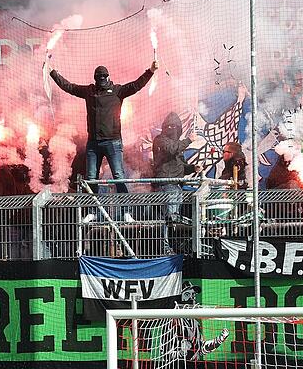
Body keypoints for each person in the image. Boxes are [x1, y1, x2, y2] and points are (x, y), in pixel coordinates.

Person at [49, 61, 157, 196]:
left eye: (103, 77)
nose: (101, 79)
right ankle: (93, 212)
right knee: (91, 178)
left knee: (118, 177)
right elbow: (69, 87)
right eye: (99, 77)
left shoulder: (117, 91)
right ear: (96, 79)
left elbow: (136, 85)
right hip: (94, 143)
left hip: (112, 142)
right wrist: (53, 73)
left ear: (108, 77)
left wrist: (150, 71)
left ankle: (125, 212)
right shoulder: (89, 91)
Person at [152, 112, 201, 253]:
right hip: (167, 185)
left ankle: (170, 247)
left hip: (176, 186)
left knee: (173, 219)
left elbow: (181, 166)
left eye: (175, 127)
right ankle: (164, 248)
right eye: (170, 126)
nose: (172, 129)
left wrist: (193, 168)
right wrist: (189, 140)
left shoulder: (177, 146)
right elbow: (171, 149)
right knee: (168, 219)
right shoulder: (160, 139)